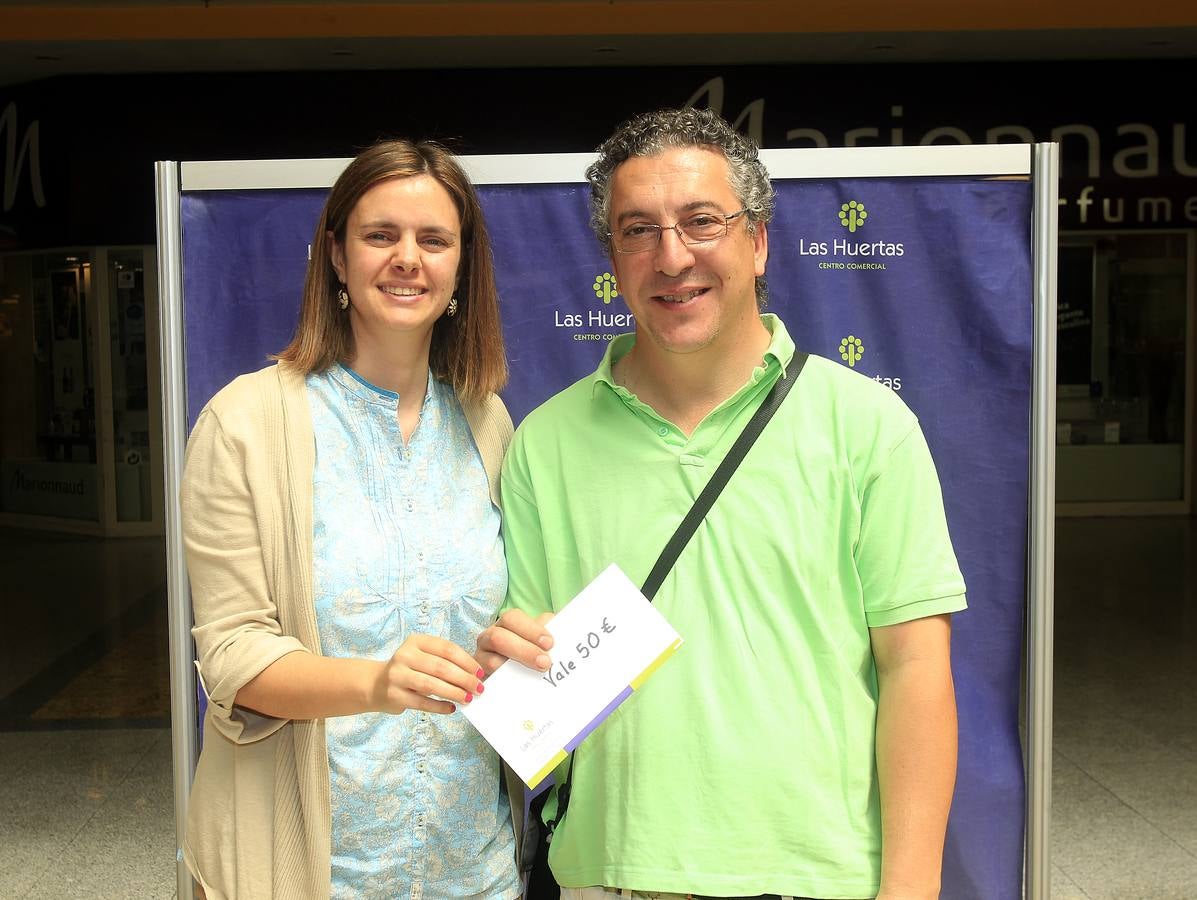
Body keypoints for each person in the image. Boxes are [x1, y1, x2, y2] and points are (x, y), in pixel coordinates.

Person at [477, 108, 966, 900]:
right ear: (612, 256)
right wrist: (507, 657)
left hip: (818, 878)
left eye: (701, 221)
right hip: (612, 876)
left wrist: (909, 887)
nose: (671, 257)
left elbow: (914, 667)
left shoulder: (867, 425)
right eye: (638, 231)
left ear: (758, 239)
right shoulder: (544, 441)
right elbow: (532, 682)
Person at [181, 139, 523, 900]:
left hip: (477, 869)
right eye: (381, 236)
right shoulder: (243, 423)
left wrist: (520, 646)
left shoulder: (485, 421)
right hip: (310, 871)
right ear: (336, 257)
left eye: (434, 239)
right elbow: (233, 658)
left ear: (462, 266)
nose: (408, 258)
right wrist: (376, 681)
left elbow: (501, 615)